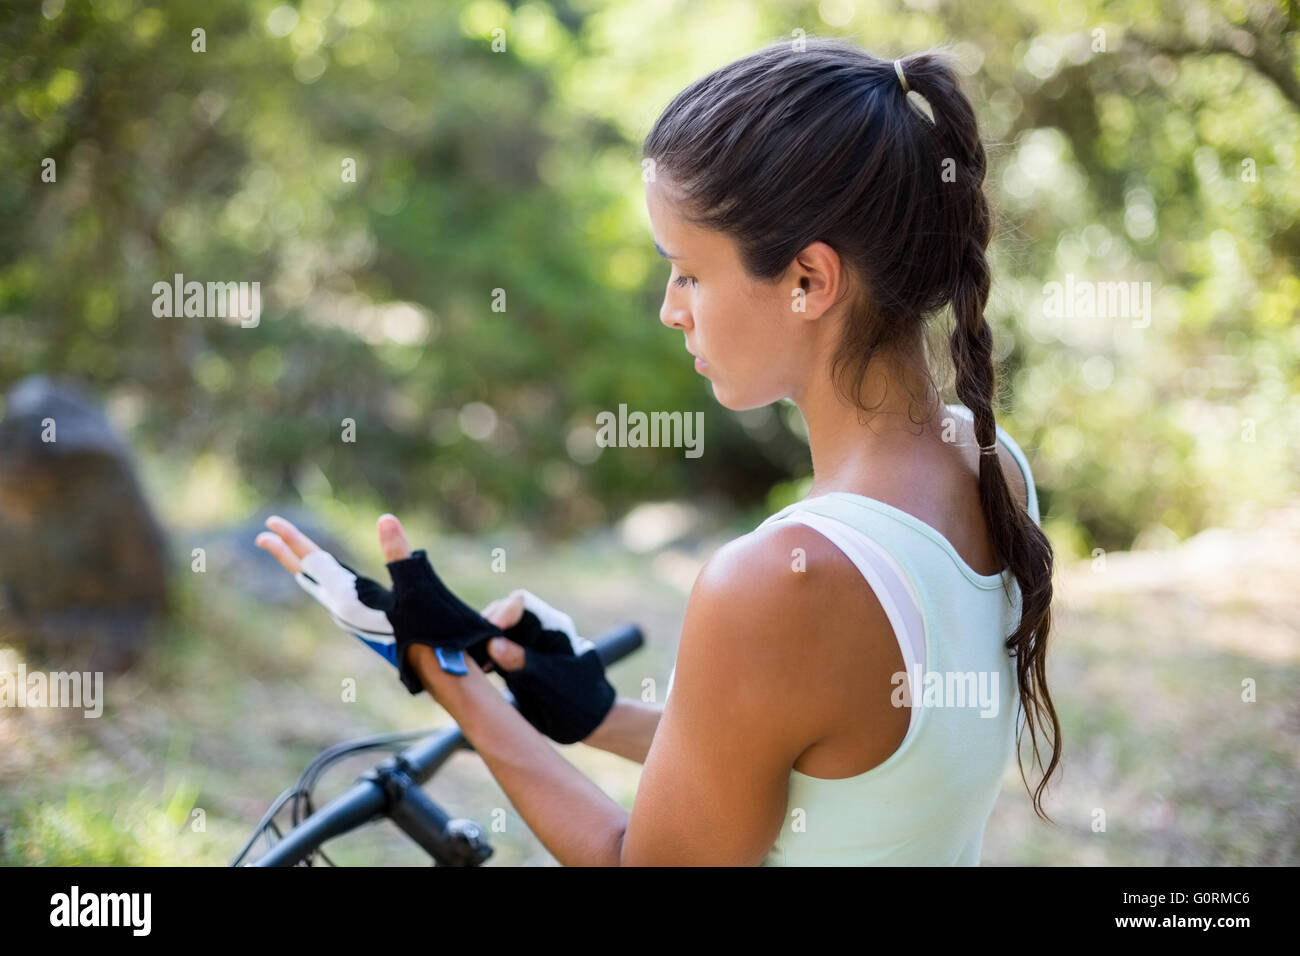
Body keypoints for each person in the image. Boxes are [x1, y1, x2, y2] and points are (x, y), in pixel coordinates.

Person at [257, 37, 1061, 865]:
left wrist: (448, 678)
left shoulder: (781, 580)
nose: (669, 309)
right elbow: (836, 777)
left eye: (688, 274)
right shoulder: (992, 468)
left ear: (809, 282)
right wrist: (592, 713)